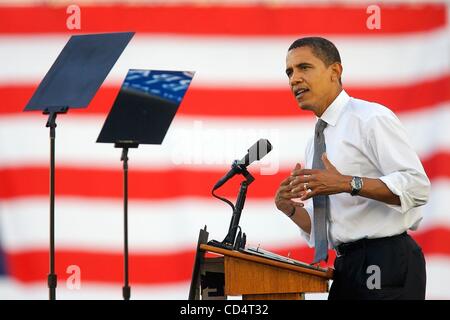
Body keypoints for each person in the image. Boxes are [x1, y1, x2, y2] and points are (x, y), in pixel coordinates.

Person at [274, 37, 430, 300]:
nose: (294, 79)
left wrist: (348, 183)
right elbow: (330, 227)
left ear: (335, 71)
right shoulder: (315, 142)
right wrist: (289, 208)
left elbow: (416, 187)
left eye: (304, 67)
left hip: (386, 260)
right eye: (289, 72)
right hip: (346, 266)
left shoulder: (370, 118)